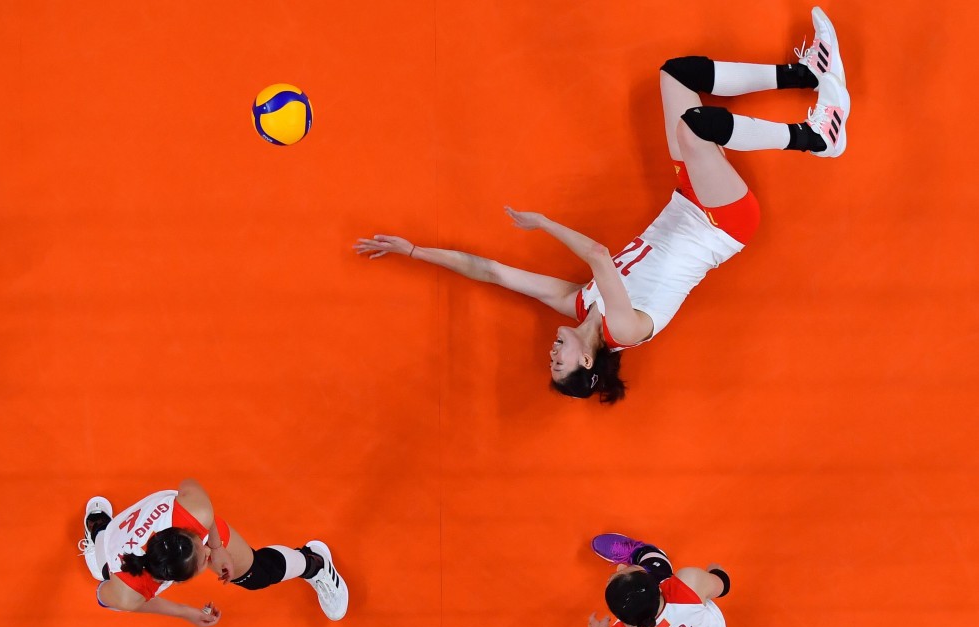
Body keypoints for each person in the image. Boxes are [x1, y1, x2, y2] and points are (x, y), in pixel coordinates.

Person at [356, 7, 849, 405]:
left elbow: (492, 273)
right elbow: (596, 253)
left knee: (677, 76)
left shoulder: (579, 304)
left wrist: (415, 251)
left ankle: (805, 73)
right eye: (559, 361)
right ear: (587, 362)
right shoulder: (626, 329)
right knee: (698, 125)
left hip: (689, 198)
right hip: (723, 223)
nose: (552, 352)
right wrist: (543, 223)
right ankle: (818, 137)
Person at [76, 479, 348, 626]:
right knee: (99, 566)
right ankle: (98, 525)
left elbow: (189, 483)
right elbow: (113, 596)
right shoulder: (127, 592)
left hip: (123, 536)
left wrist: (216, 547)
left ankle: (315, 563)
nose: (207, 554)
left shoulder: (196, 513)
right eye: (204, 559)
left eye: (200, 543)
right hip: (114, 545)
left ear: (183, 531)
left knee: (254, 575)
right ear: (175, 581)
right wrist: (186, 612)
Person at [588, 532, 730, 627]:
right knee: (657, 568)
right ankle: (643, 553)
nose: (621, 566)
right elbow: (723, 584)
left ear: (621, 621)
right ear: (660, 589)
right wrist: (713, 572)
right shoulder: (690, 583)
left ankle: (640, 553)